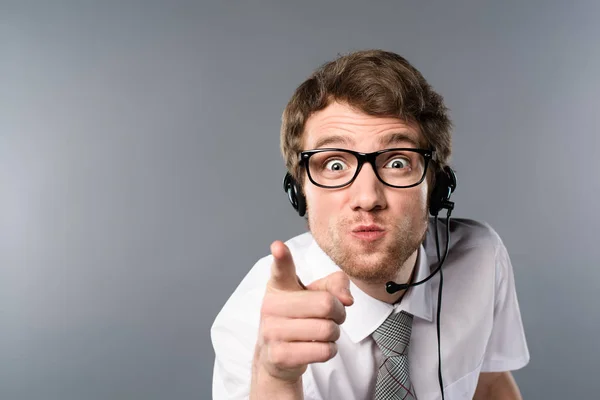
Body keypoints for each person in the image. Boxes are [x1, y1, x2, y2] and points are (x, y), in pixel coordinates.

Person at [211, 49, 529, 399]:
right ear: (299, 192)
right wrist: (276, 378)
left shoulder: (482, 258)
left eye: (396, 162)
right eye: (334, 165)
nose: (367, 197)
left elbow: (490, 385)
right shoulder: (251, 320)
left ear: (435, 186)